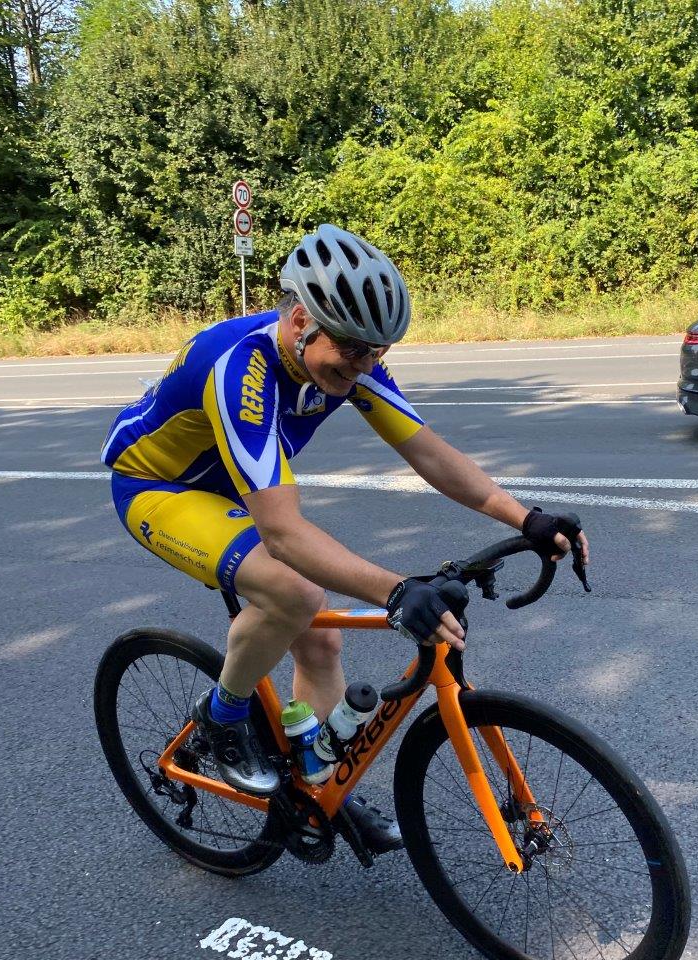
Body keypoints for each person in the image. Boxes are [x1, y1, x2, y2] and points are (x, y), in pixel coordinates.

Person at [101, 224, 588, 854]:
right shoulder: (242, 368)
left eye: (377, 352)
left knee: (321, 641)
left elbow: (428, 452)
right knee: (296, 592)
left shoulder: (351, 360)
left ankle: (321, 787)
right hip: (160, 490)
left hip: (235, 489)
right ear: (301, 320)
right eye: (355, 349)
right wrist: (397, 590)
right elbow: (283, 533)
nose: (365, 365)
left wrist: (526, 519)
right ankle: (221, 718)